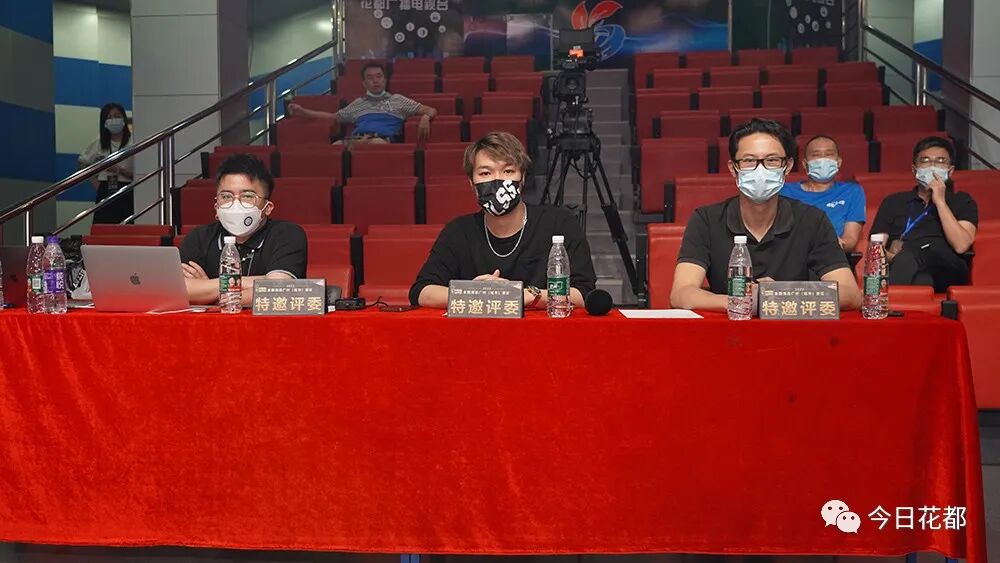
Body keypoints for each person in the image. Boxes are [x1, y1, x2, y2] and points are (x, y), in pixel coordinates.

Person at [670, 118, 862, 312]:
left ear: (787, 166)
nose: (760, 170)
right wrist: (747, 301)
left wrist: (778, 295)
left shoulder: (813, 220)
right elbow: (681, 293)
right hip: (731, 327)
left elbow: (851, 294)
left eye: (772, 160)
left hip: (793, 327)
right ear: (733, 168)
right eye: (749, 161)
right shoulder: (706, 220)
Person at [410, 131, 597, 309]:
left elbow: (583, 293)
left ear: (522, 178)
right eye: (485, 173)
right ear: (471, 183)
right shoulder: (458, 231)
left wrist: (520, 294)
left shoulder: (559, 224)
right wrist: (473, 293)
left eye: (508, 171)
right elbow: (422, 291)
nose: (497, 181)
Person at [179, 153, 307, 306]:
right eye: (226, 196)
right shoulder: (198, 238)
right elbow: (180, 291)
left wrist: (208, 291)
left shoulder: (287, 234)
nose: (236, 204)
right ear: (216, 206)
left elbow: (277, 289)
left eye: (247, 196)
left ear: (268, 208)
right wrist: (251, 284)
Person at [870, 136, 977, 292]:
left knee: (910, 256)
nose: (932, 167)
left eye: (940, 161)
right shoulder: (893, 202)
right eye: (925, 161)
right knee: (922, 280)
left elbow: (961, 245)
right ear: (914, 170)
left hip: (947, 268)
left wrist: (940, 202)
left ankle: (881, 302)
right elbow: (875, 248)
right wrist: (892, 257)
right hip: (903, 266)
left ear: (950, 171)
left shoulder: (962, 201)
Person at [287, 62, 437, 146]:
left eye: (379, 76)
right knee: (336, 146)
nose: (375, 81)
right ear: (364, 83)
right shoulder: (359, 103)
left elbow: (430, 110)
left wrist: (425, 118)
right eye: (370, 78)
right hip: (357, 139)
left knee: (376, 144)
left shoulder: (398, 99)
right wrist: (304, 112)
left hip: (381, 140)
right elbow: (333, 117)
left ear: (385, 80)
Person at [781, 135, 866, 251]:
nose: (822, 160)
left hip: (834, 255)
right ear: (805, 164)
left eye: (829, 154)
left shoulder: (852, 191)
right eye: (816, 155)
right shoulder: (784, 191)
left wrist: (833, 244)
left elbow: (850, 240)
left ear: (838, 162)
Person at [78, 102, 134, 224]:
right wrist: (96, 182)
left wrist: (120, 170)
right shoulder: (99, 143)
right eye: (109, 117)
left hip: (127, 190)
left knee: (126, 227)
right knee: (103, 226)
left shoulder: (133, 142)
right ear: (104, 122)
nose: (113, 120)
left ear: (124, 119)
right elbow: (83, 162)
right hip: (105, 188)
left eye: (117, 116)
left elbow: (141, 173)